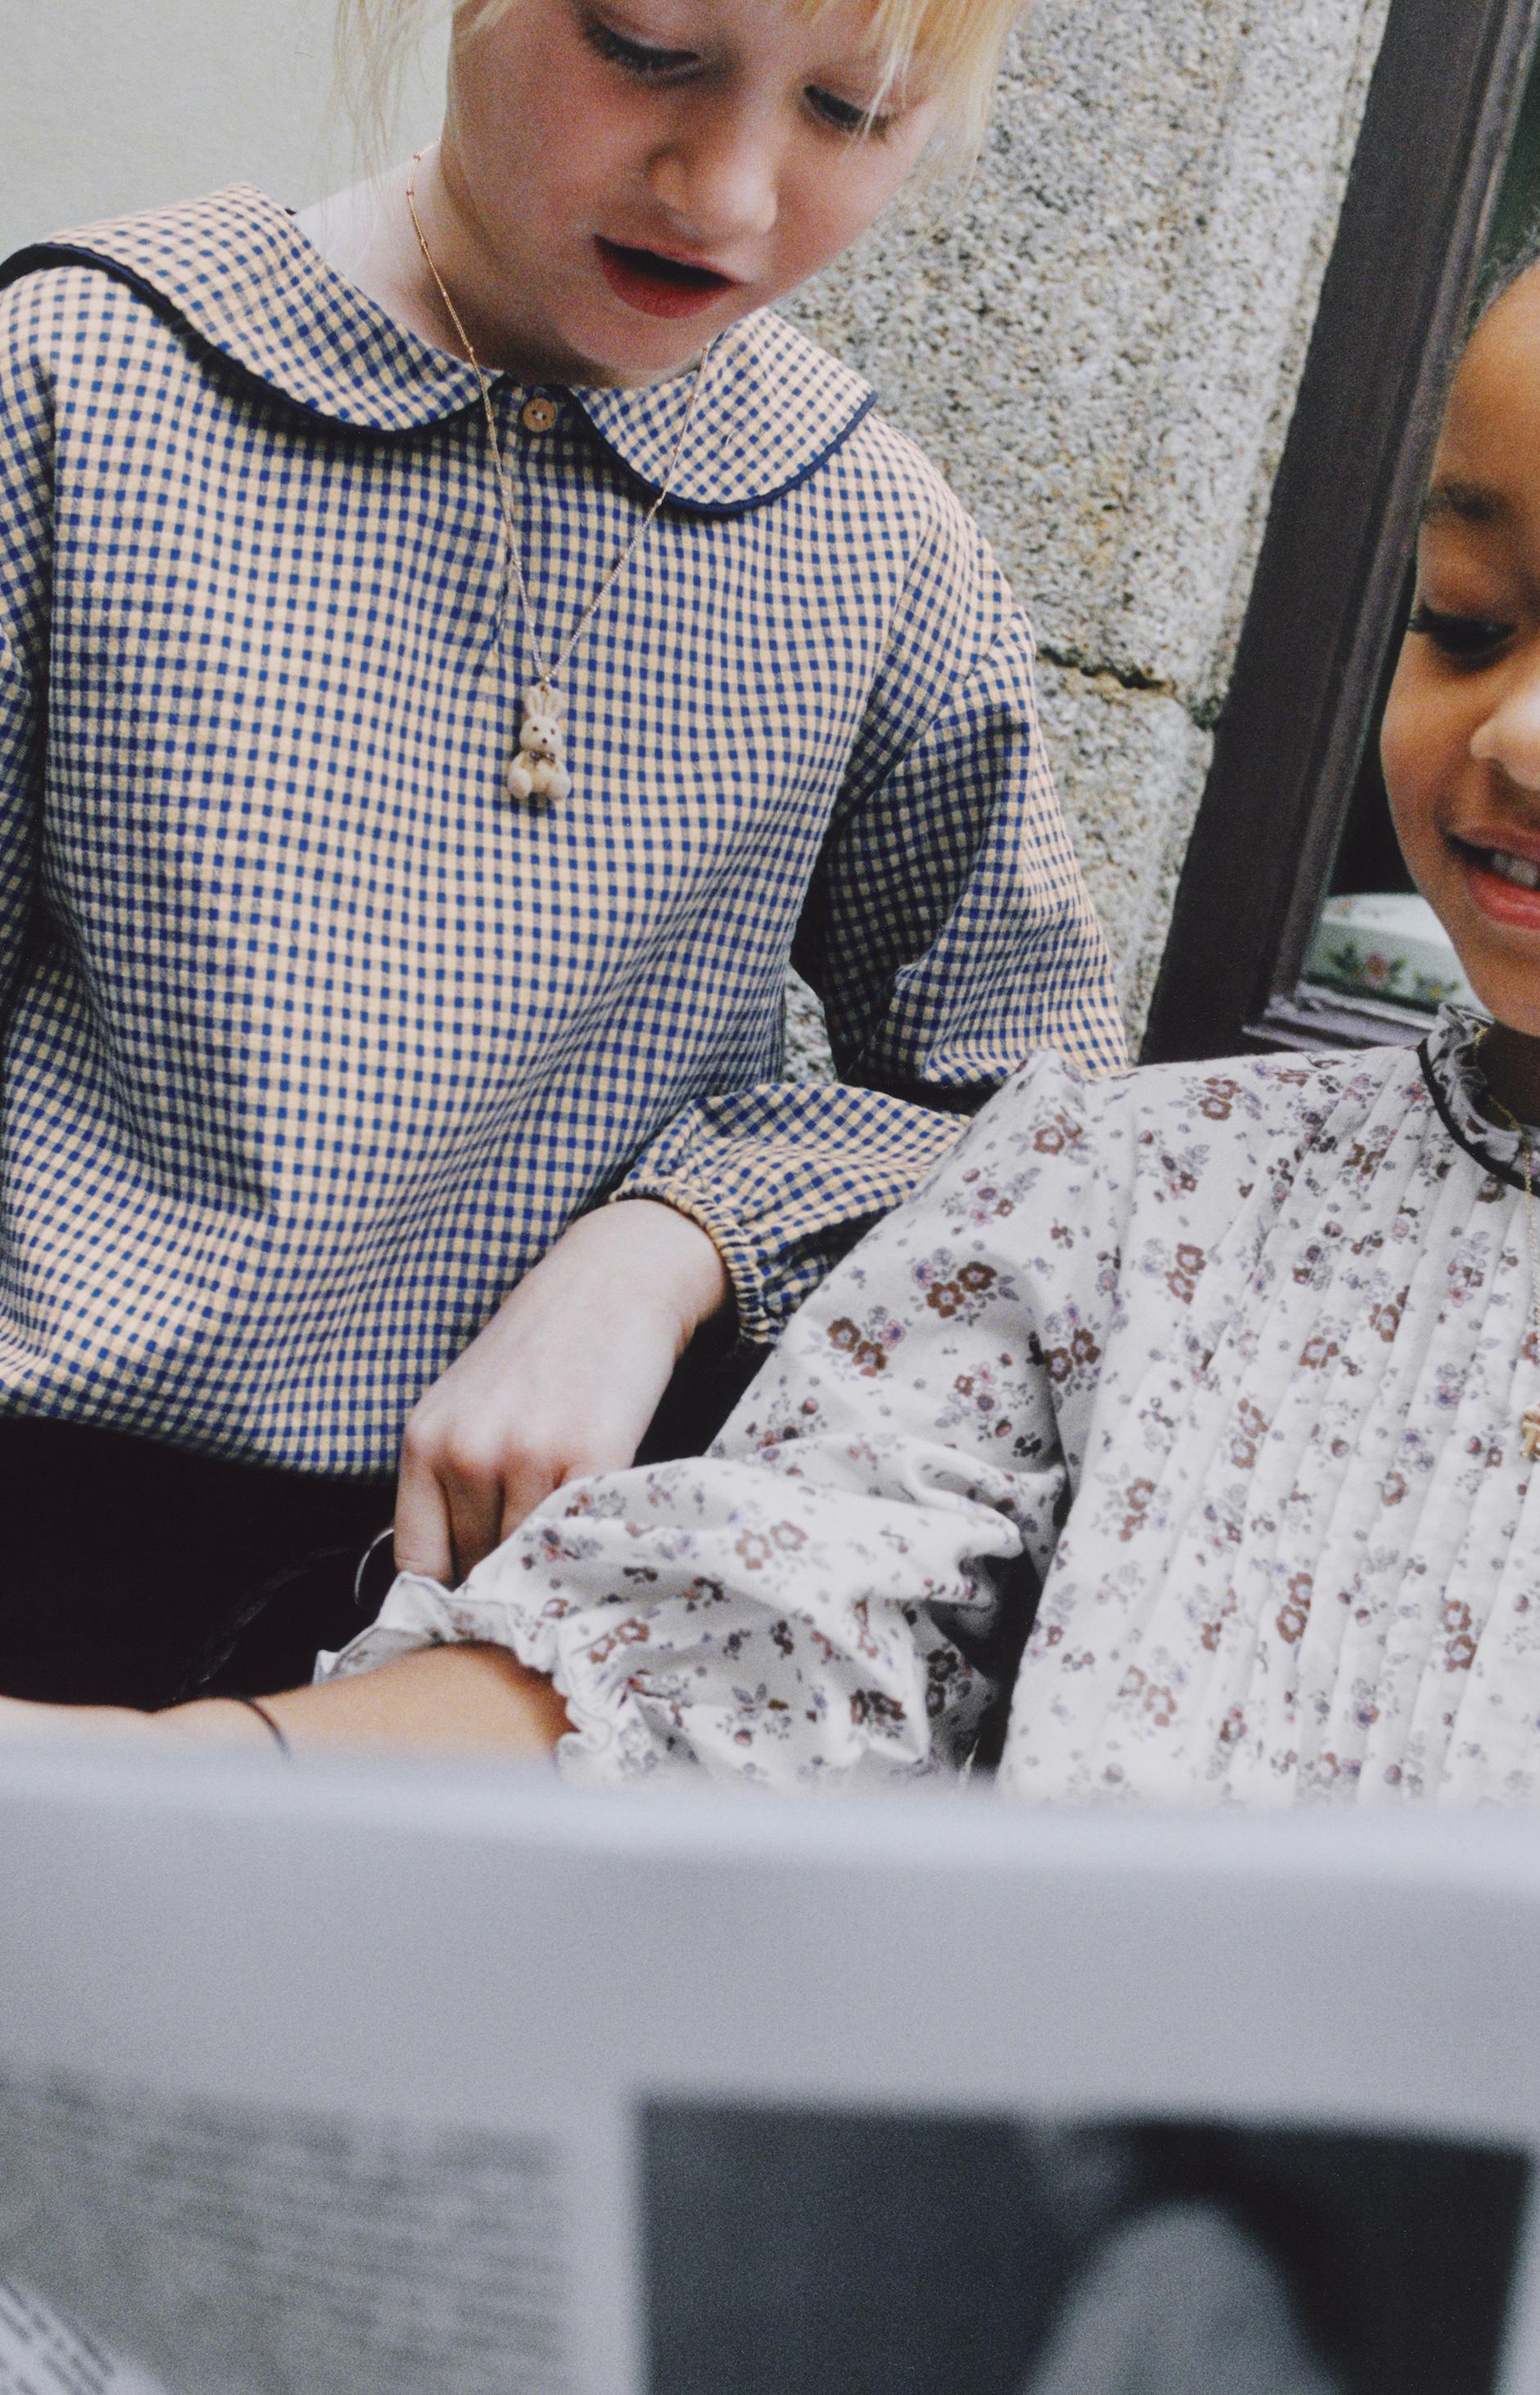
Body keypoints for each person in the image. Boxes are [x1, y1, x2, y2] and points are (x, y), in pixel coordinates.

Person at [0, 0, 1123, 1720]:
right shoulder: (87, 381)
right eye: (646, 48)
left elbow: (1049, 1113)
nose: (730, 190)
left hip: (524, 1646)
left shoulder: (877, 545)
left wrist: (679, 1240)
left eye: (852, 109)